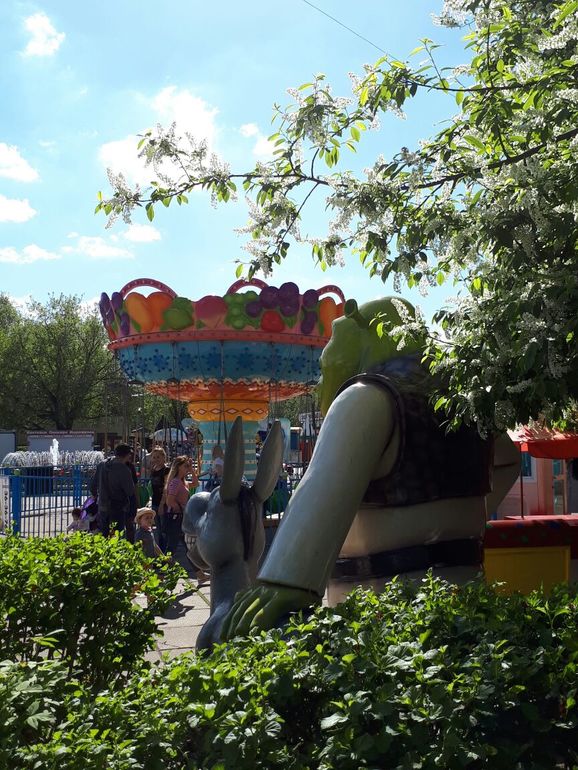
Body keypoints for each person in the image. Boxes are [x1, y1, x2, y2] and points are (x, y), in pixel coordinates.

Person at [165, 455, 207, 583]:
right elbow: (169, 501)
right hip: (176, 518)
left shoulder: (182, 482)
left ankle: (199, 574)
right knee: (173, 546)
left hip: (181, 518)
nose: (187, 468)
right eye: (185, 466)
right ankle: (162, 570)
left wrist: (192, 470)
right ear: (178, 467)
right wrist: (181, 508)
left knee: (187, 546)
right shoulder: (176, 482)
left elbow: (196, 483)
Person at [90, 443, 137, 542]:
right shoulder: (124, 469)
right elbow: (130, 492)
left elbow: (93, 484)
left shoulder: (101, 465)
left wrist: (95, 496)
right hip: (118, 507)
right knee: (116, 535)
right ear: (127, 455)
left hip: (102, 505)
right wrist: (133, 510)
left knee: (104, 534)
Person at [149, 447, 170, 549]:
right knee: (157, 528)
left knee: (164, 529)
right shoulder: (153, 470)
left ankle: (165, 549)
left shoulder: (166, 470)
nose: (156, 459)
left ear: (163, 457)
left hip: (163, 502)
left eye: (158, 457)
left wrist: (162, 504)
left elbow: (166, 488)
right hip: (154, 501)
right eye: (154, 457)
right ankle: (160, 549)